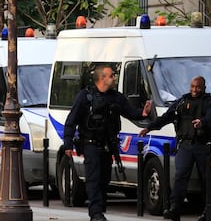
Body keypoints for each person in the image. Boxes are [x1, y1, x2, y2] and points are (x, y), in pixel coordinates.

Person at [63, 64, 152, 221]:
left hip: (107, 145)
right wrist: (68, 144)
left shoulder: (116, 97)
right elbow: (71, 121)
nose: (114, 78)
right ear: (102, 78)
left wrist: (143, 113)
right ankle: (96, 213)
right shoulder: (85, 96)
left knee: (104, 179)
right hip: (90, 144)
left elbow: (130, 113)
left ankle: (99, 210)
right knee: (94, 179)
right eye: (111, 75)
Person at [139, 76, 211, 221]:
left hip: (203, 146)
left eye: (198, 87)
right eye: (192, 86)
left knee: (206, 180)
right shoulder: (182, 101)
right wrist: (149, 128)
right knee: (180, 176)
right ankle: (174, 209)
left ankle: (208, 211)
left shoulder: (210, 102)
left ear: (204, 88)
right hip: (185, 145)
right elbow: (166, 117)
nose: (194, 89)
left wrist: (202, 122)